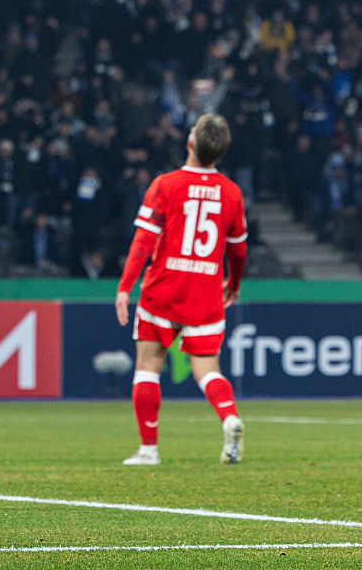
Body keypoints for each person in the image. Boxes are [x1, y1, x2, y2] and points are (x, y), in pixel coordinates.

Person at [114, 113, 248, 466]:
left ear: (190, 143)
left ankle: (148, 450)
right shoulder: (232, 192)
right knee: (207, 369)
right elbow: (238, 249)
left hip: (163, 290)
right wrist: (233, 284)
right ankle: (229, 418)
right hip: (205, 291)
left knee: (148, 366)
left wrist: (125, 286)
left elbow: (144, 240)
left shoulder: (166, 184)